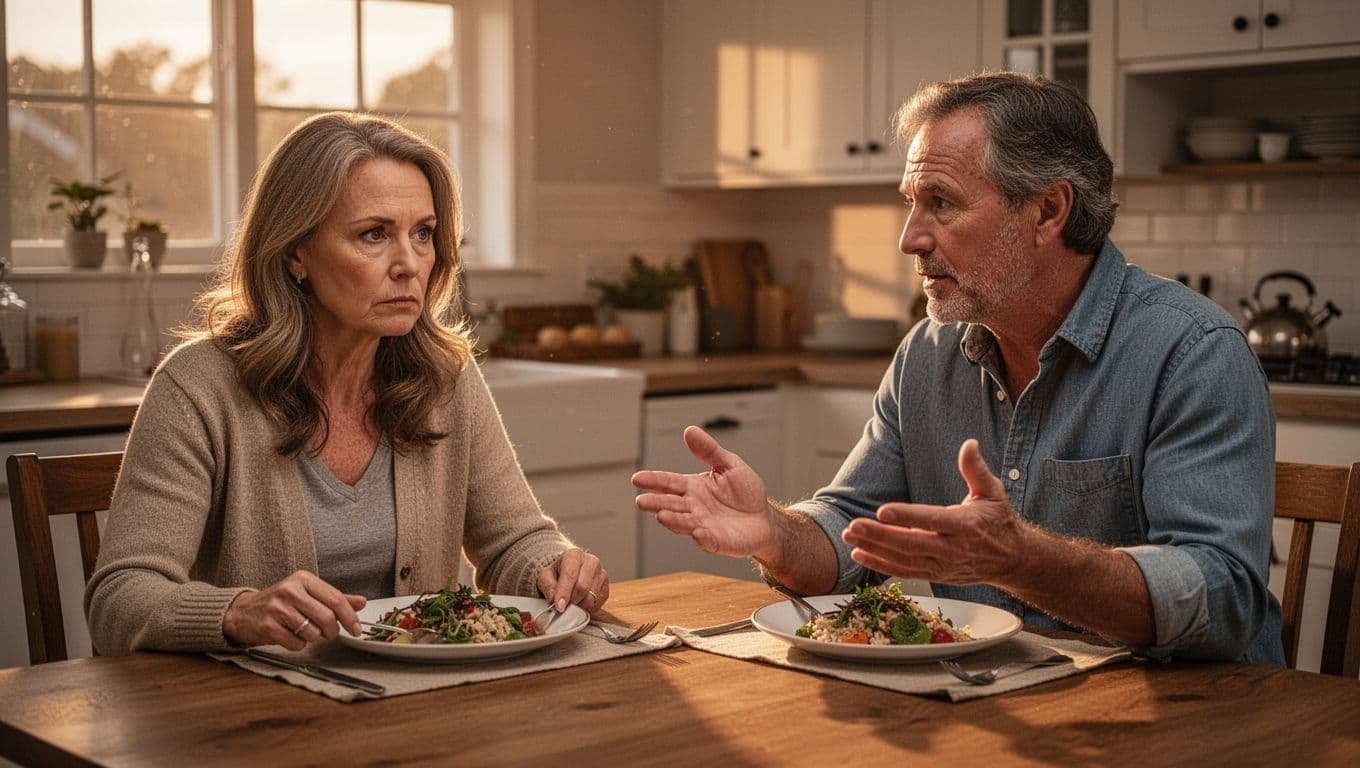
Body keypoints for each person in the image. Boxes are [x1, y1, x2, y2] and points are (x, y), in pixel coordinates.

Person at [633, 72, 1283, 664]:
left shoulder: (1192, 351)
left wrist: (1024, 560)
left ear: (1048, 211)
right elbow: (850, 535)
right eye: (910, 202)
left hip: (1196, 723)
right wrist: (772, 532)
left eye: (940, 202)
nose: (909, 237)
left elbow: (1222, 601)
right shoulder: (927, 354)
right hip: (998, 708)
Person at [86, 112, 608, 654]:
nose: (409, 263)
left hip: (426, 708)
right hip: (260, 719)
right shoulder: (198, 387)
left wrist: (555, 568)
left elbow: (515, 542)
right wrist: (237, 612)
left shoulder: (446, 378)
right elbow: (119, 601)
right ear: (295, 252)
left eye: (424, 234)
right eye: (374, 234)